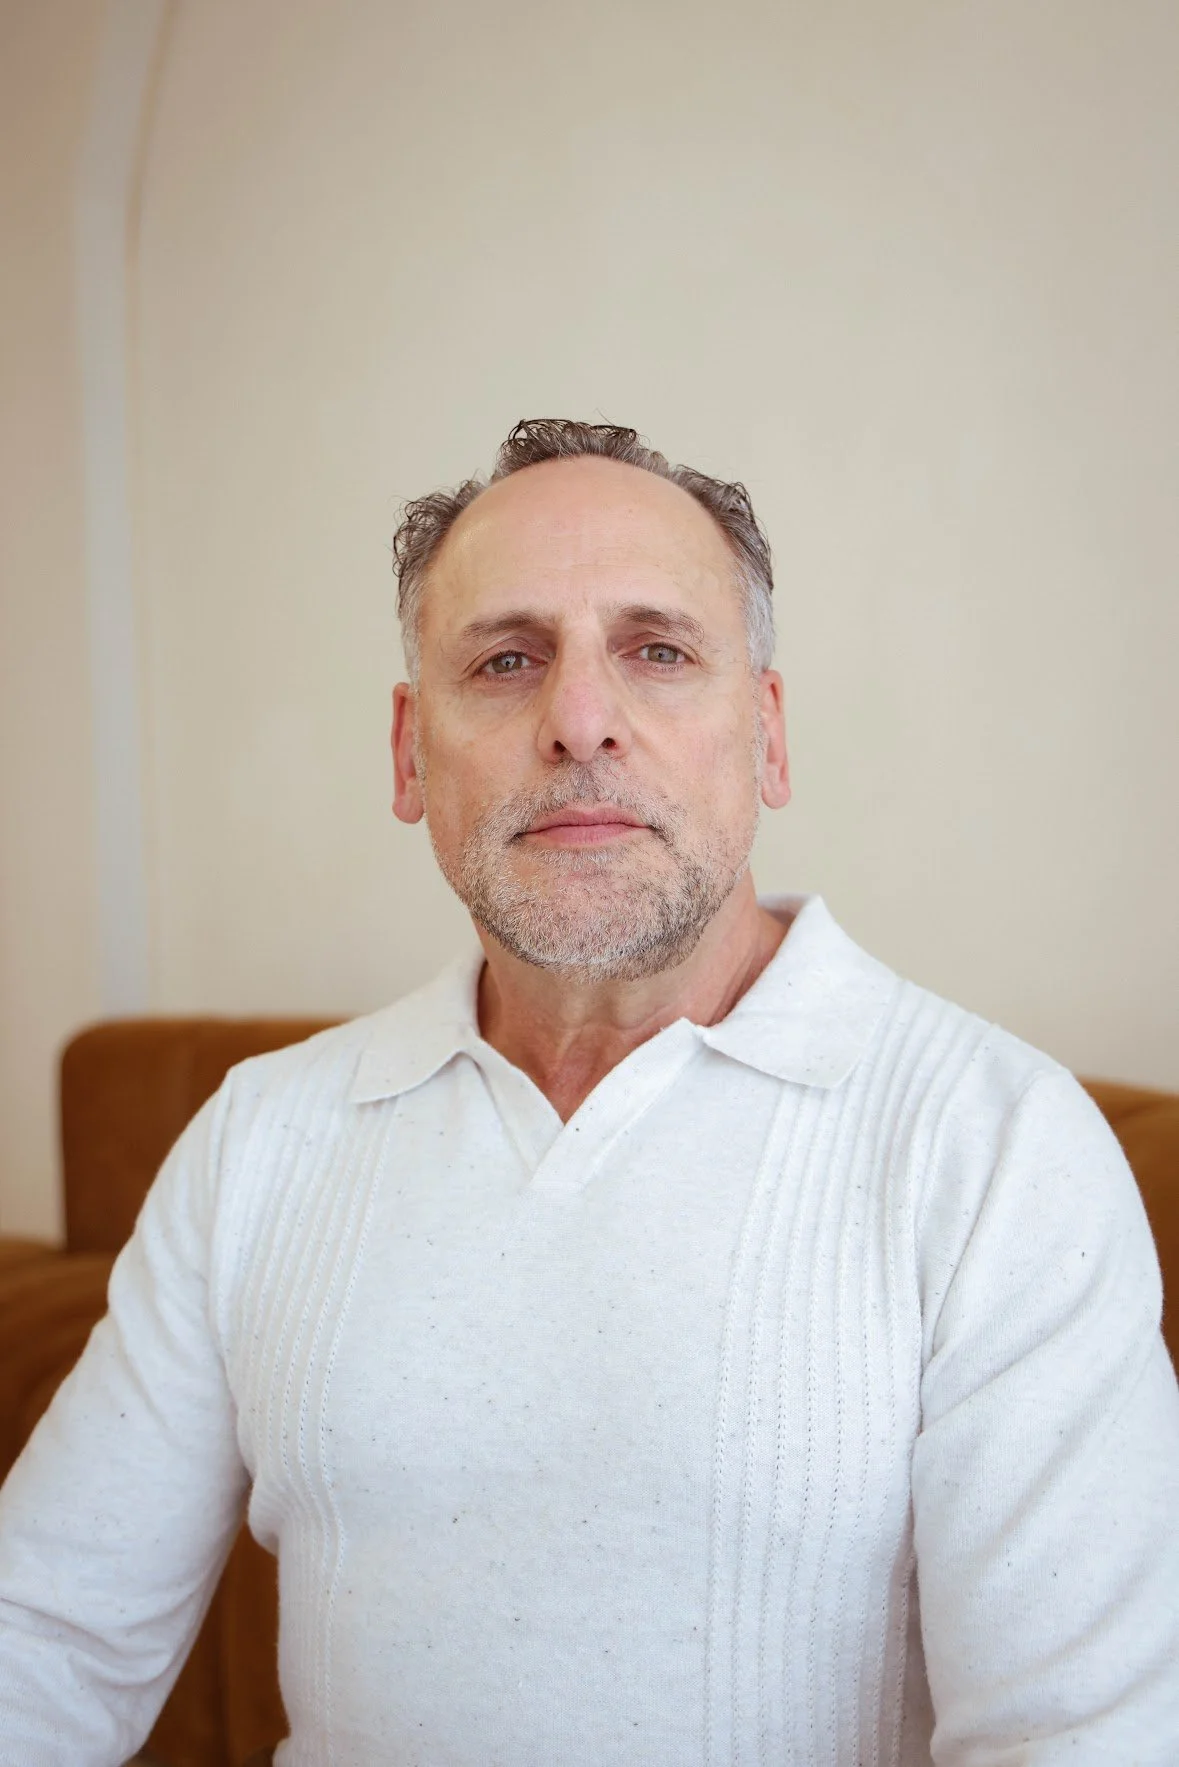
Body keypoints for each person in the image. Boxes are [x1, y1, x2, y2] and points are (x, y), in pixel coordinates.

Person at [1, 418, 1177, 1766]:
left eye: (658, 651)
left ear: (769, 736)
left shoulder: (999, 1151)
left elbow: (1083, 1740)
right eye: (504, 661)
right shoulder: (259, 1140)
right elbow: (47, 1644)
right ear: (407, 754)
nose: (576, 721)